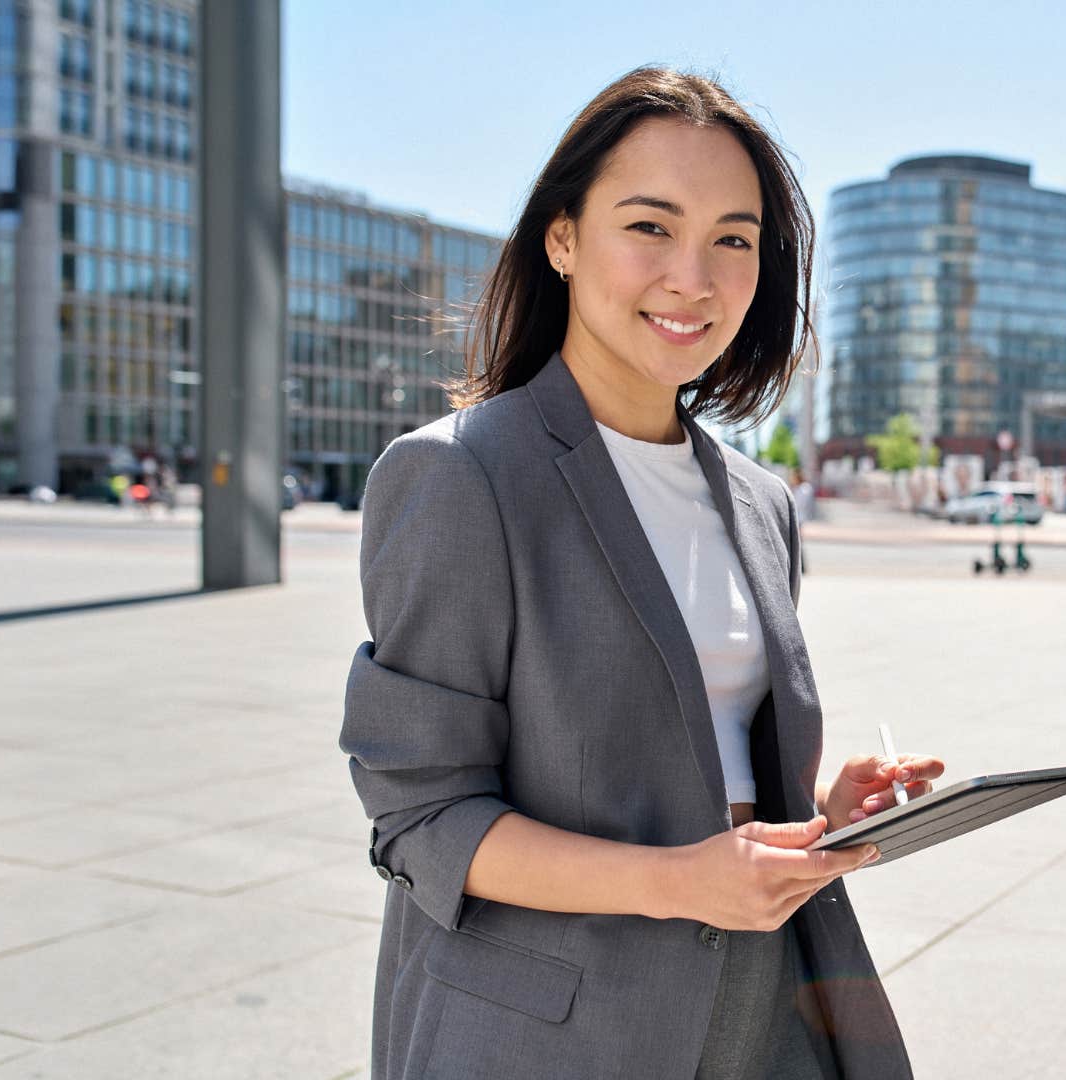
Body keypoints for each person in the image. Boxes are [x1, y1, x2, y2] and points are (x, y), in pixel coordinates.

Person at [339, 67, 942, 1080]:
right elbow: (425, 823)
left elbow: (696, 759)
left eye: (734, 240)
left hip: (764, 1013)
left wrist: (819, 815)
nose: (693, 277)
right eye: (651, 227)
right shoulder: (461, 475)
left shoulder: (761, 502)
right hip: (553, 1036)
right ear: (563, 238)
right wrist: (679, 881)